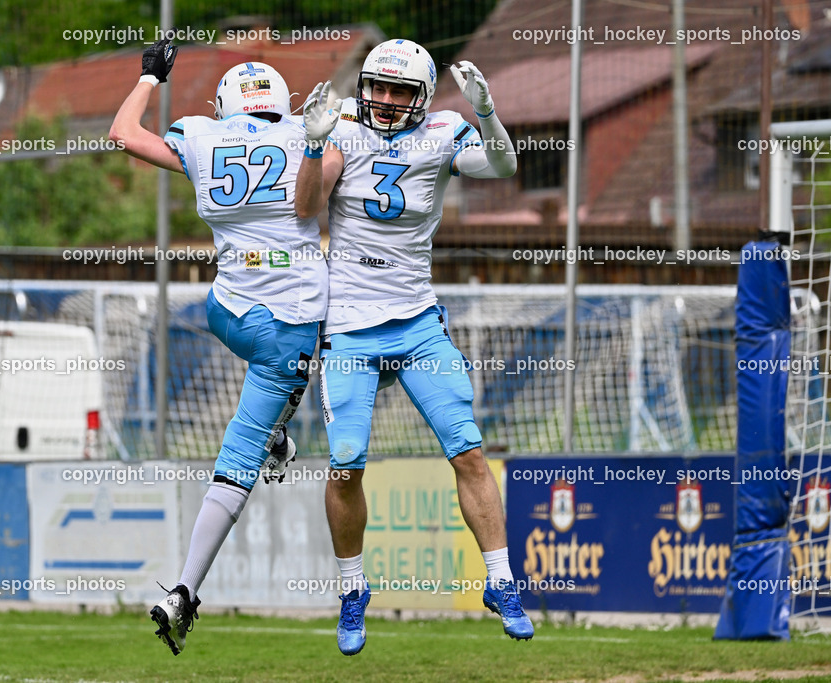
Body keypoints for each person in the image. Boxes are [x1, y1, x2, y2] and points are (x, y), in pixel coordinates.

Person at [295, 39, 534, 655]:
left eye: (401, 91)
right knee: (346, 466)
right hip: (349, 322)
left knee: (470, 454)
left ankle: (502, 583)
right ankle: (353, 590)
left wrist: (488, 113)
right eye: (378, 86)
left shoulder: (445, 130)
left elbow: (505, 168)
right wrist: (316, 144)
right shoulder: (344, 127)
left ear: (424, 97)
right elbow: (304, 209)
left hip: (417, 321)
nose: (386, 99)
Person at [109, 41, 328, 655]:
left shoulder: (203, 135)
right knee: (242, 457)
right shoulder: (300, 135)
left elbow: (123, 133)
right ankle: (184, 587)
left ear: (226, 103)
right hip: (288, 323)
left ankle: (277, 431)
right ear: (280, 104)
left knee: (293, 377)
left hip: (226, 310)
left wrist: (150, 77)